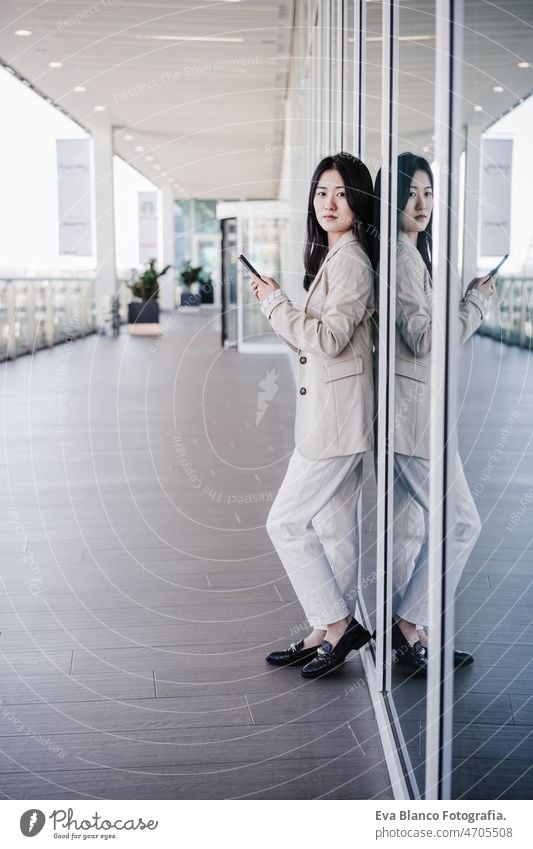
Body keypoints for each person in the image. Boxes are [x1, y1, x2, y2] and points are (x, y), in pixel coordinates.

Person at [249, 152, 376, 678]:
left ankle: (338, 623)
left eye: (341, 193)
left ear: (358, 201)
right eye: (322, 192)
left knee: (285, 521)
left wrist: (278, 304)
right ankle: (324, 632)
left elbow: (326, 338)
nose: (329, 202)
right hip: (334, 414)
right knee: (334, 527)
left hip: (338, 421)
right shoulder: (334, 256)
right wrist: (278, 304)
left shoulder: (351, 261)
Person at [375, 152, 495, 674]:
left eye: (428, 192)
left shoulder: (406, 253)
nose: (421, 203)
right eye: (411, 192)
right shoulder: (402, 257)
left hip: (405, 416)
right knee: (462, 522)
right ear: (393, 197)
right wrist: (474, 306)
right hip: (413, 421)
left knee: (409, 531)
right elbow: (425, 339)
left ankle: (410, 633)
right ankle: (408, 623)